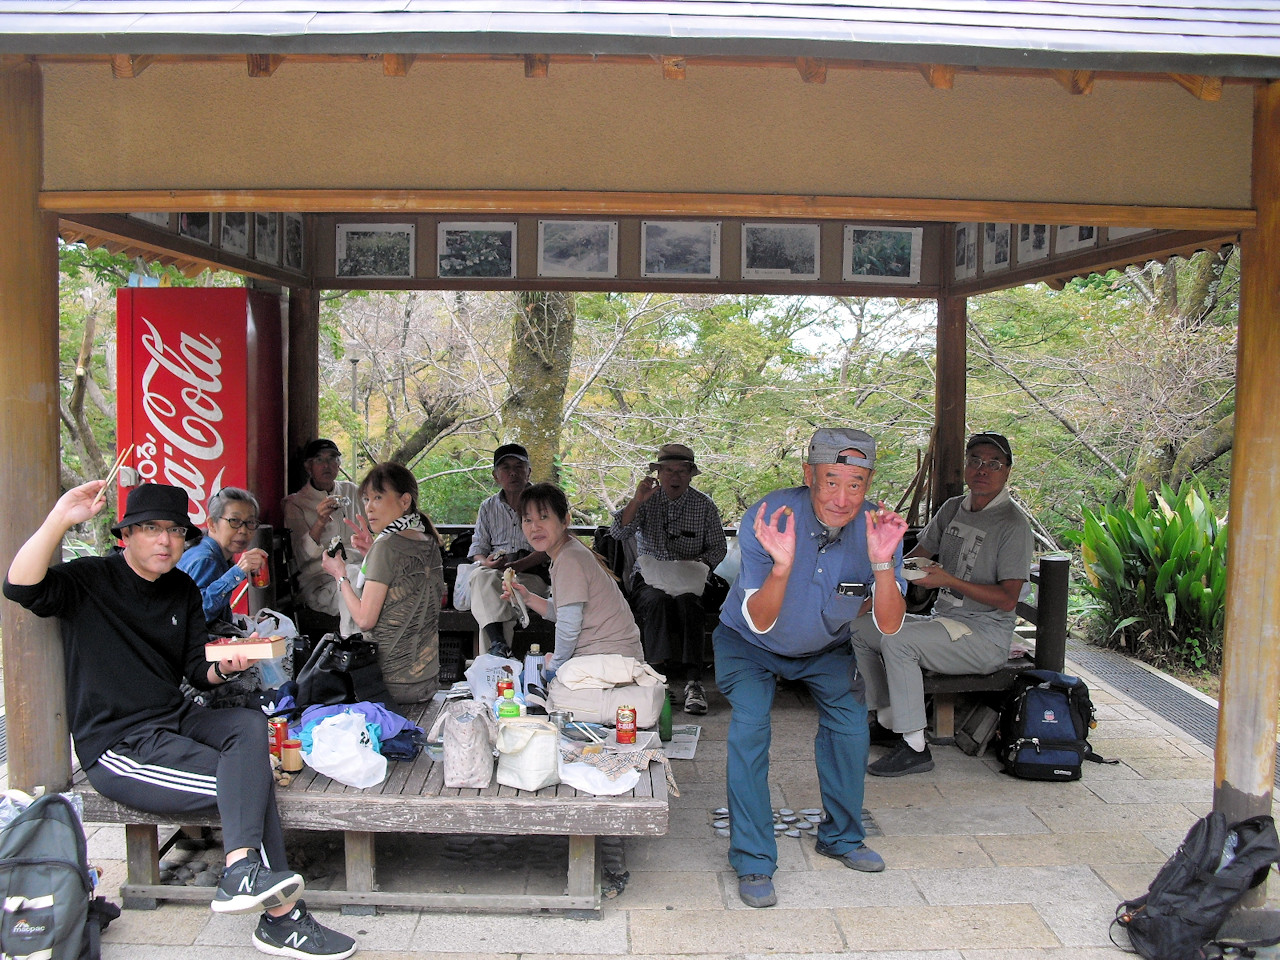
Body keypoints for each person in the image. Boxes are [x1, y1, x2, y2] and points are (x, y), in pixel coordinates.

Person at [3, 482, 356, 959]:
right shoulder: (90, 579)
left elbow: (195, 670)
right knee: (248, 782)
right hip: (120, 745)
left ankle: (241, 872)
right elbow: (19, 586)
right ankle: (281, 918)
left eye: (173, 530)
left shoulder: (181, 588)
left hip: (176, 716)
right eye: (151, 528)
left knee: (249, 726)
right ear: (126, 534)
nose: (165, 540)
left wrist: (225, 667)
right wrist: (60, 517)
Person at [713, 427, 907, 909]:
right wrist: (781, 566)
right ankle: (754, 859)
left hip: (825, 647)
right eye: (831, 481)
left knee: (850, 728)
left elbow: (889, 622)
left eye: (855, 484)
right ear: (808, 475)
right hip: (749, 642)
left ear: (869, 483)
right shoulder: (771, 516)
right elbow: (759, 620)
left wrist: (883, 563)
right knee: (750, 729)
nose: (842, 498)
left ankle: (842, 837)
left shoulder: (878, 527)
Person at [854, 431, 1034, 777]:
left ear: (1007, 471)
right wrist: (879, 580)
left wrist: (948, 580)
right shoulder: (952, 509)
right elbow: (916, 555)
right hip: (943, 623)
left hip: (984, 636)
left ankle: (915, 748)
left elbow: (1008, 598)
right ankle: (889, 722)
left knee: (899, 641)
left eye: (994, 464)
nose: (983, 469)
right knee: (861, 628)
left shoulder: (1013, 524)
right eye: (975, 461)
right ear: (966, 466)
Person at [609, 443, 727, 715]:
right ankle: (655, 678)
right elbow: (618, 533)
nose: (675, 477)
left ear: (690, 474)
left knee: (690, 604)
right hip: (650, 576)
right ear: (658, 474)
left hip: (689, 577)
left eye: (681, 471)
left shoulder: (704, 505)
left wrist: (700, 565)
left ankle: (694, 682)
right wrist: (637, 500)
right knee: (656, 601)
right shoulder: (646, 500)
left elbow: (718, 547)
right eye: (668, 471)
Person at [321, 462, 444, 705]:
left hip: (388, 685)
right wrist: (372, 553)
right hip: (427, 681)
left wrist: (340, 575)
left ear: (405, 501)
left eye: (378, 497)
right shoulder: (428, 540)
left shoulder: (386, 546)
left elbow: (364, 620)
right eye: (366, 499)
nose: (369, 507)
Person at [507, 482, 643, 681]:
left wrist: (555, 667)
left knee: (525, 681)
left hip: (610, 661)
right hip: (609, 658)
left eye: (544, 517)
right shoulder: (566, 552)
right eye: (527, 520)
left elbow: (569, 626)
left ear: (565, 520)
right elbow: (565, 612)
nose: (534, 527)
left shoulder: (569, 559)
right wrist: (527, 598)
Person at [466, 443, 548, 658]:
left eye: (519, 466)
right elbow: (478, 549)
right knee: (481, 575)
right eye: (506, 468)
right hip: (496, 576)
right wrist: (487, 562)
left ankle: (496, 651)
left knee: (492, 598)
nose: (513, 473)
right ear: (495, 476)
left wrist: (517, 565)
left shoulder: (543, 503)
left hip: (531, 576)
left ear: (529, 472)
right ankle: (500, 647)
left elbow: (551, 546)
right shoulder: (488, 507)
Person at [282, 439, 365, 638]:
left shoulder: (351, 491)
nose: (326, 465)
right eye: (319, 460)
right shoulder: (295, 503)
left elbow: (374, 524)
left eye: (332, 459)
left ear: (339, 464)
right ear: (308, 467)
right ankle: (354, 642)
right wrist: (320, 521)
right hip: (321, 581)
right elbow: (301, 556)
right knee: (355, 581)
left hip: (359, 571)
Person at [177, 486, 268, 626]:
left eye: (250, 522)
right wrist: (237, 572)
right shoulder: (206, 559)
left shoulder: (212, 552)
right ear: (212, 524)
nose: (243, 530)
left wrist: (242, 621)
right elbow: (198, 615)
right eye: (234, 521)